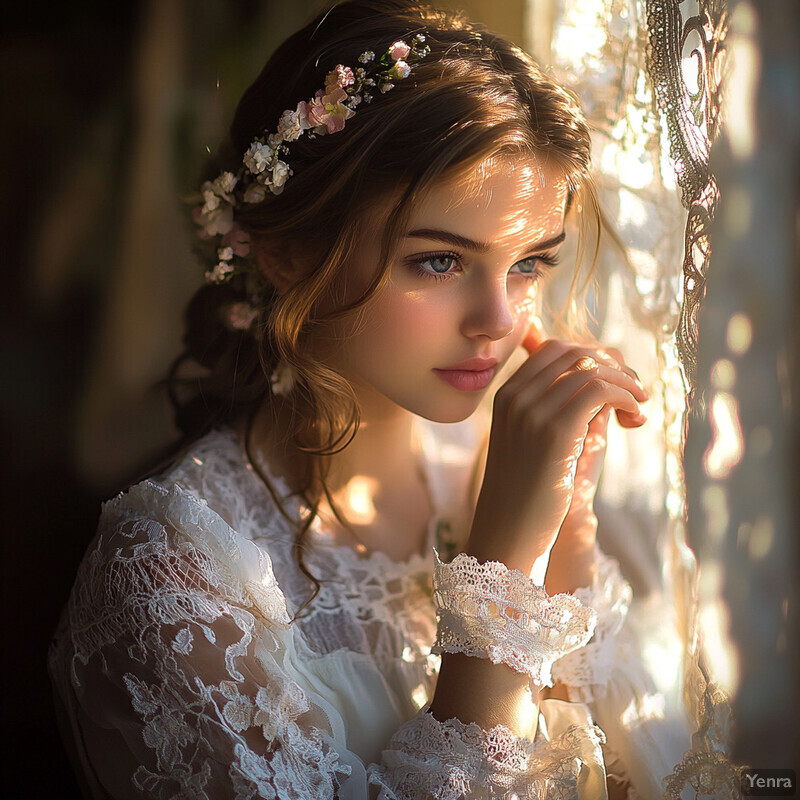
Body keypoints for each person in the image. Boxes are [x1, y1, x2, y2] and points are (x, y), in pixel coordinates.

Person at [48, 1, 692, 797]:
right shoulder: (173, 585)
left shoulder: (504, 458)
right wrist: (501, 572)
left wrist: (570, 532)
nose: (499, 322)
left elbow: (637, 768)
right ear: (287, 252)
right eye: (439, 263)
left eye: (529, 264)